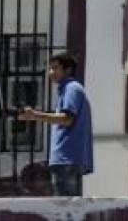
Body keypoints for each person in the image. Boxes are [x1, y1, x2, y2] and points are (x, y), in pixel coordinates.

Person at [18, 53, 93, 196]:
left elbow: (67, 119)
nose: (50, 72)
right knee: (67, 207)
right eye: (49, 68)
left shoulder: (72, 88)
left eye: (55, 68)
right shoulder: (68, 90)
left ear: (68, 70)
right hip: (66, 160)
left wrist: (35, 115)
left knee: (66, 208)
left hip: (67, 160)